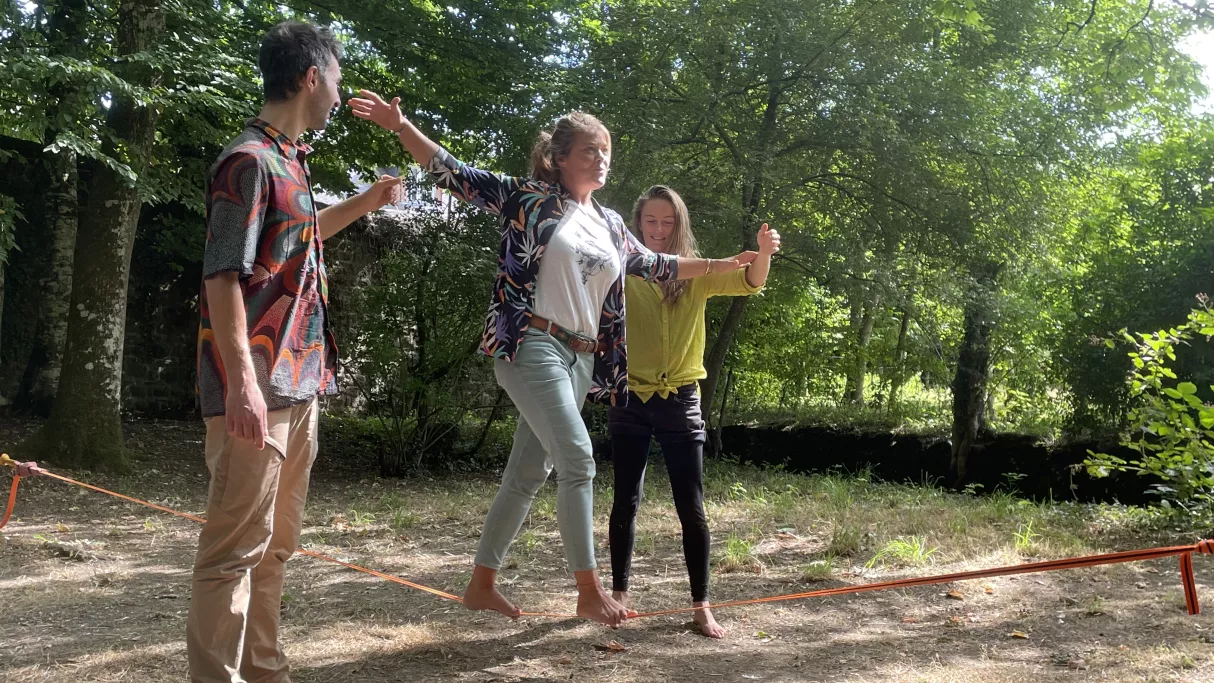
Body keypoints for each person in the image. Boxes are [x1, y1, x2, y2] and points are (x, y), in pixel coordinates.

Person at [349, 91, 757, 626]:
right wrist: (401, 126)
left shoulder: (611, 224)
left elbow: (657, 265)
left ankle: (481, 583)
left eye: (607, 151)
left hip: (581, 359)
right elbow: (454, 173)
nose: (602, 159)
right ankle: (588, 590)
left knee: (528, 471)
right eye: (591, 150)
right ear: (560, 158)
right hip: (531, 342)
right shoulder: (528, 198)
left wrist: (723, 263)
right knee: (578, 458)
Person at [188, 22, 401, 683]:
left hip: (301, 383)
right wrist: (245, 385)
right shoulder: (247, 161)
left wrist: (366, 201)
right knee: (234, 553)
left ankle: (265, 671)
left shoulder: (290, 160)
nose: (339, 94)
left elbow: (302, 238)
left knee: (276, 549)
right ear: (312, 77)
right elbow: (223, 274)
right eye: (336, 79)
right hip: (257, 390)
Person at [608, 185, 780, 638]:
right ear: (638, 223)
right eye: (650, 221)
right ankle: (619, 595)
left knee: (692, 506)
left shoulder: (698, 273)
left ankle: (702, 606)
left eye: (667, 222)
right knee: (625, 499)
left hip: (680, 399)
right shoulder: (622, 267)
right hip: (628, 397)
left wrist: (763, 252)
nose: (658, 230)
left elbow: (751, 281)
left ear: (678, 224)